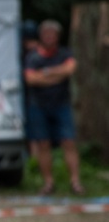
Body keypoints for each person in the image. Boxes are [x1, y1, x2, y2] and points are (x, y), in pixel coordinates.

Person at [23, 19, 82, 195]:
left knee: (69, 141)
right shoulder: (33, 57)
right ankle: (48, 183)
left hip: (61, 104)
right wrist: (58, 74)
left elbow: (70, 70)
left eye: (52, 34)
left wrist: (46, 73)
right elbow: (31, 79)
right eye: (46, 34)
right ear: (41, 36)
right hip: (38, 105)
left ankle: (75, 182)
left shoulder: (64, 53)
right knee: (43, 144)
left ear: (58, 36)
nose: (49, 37)